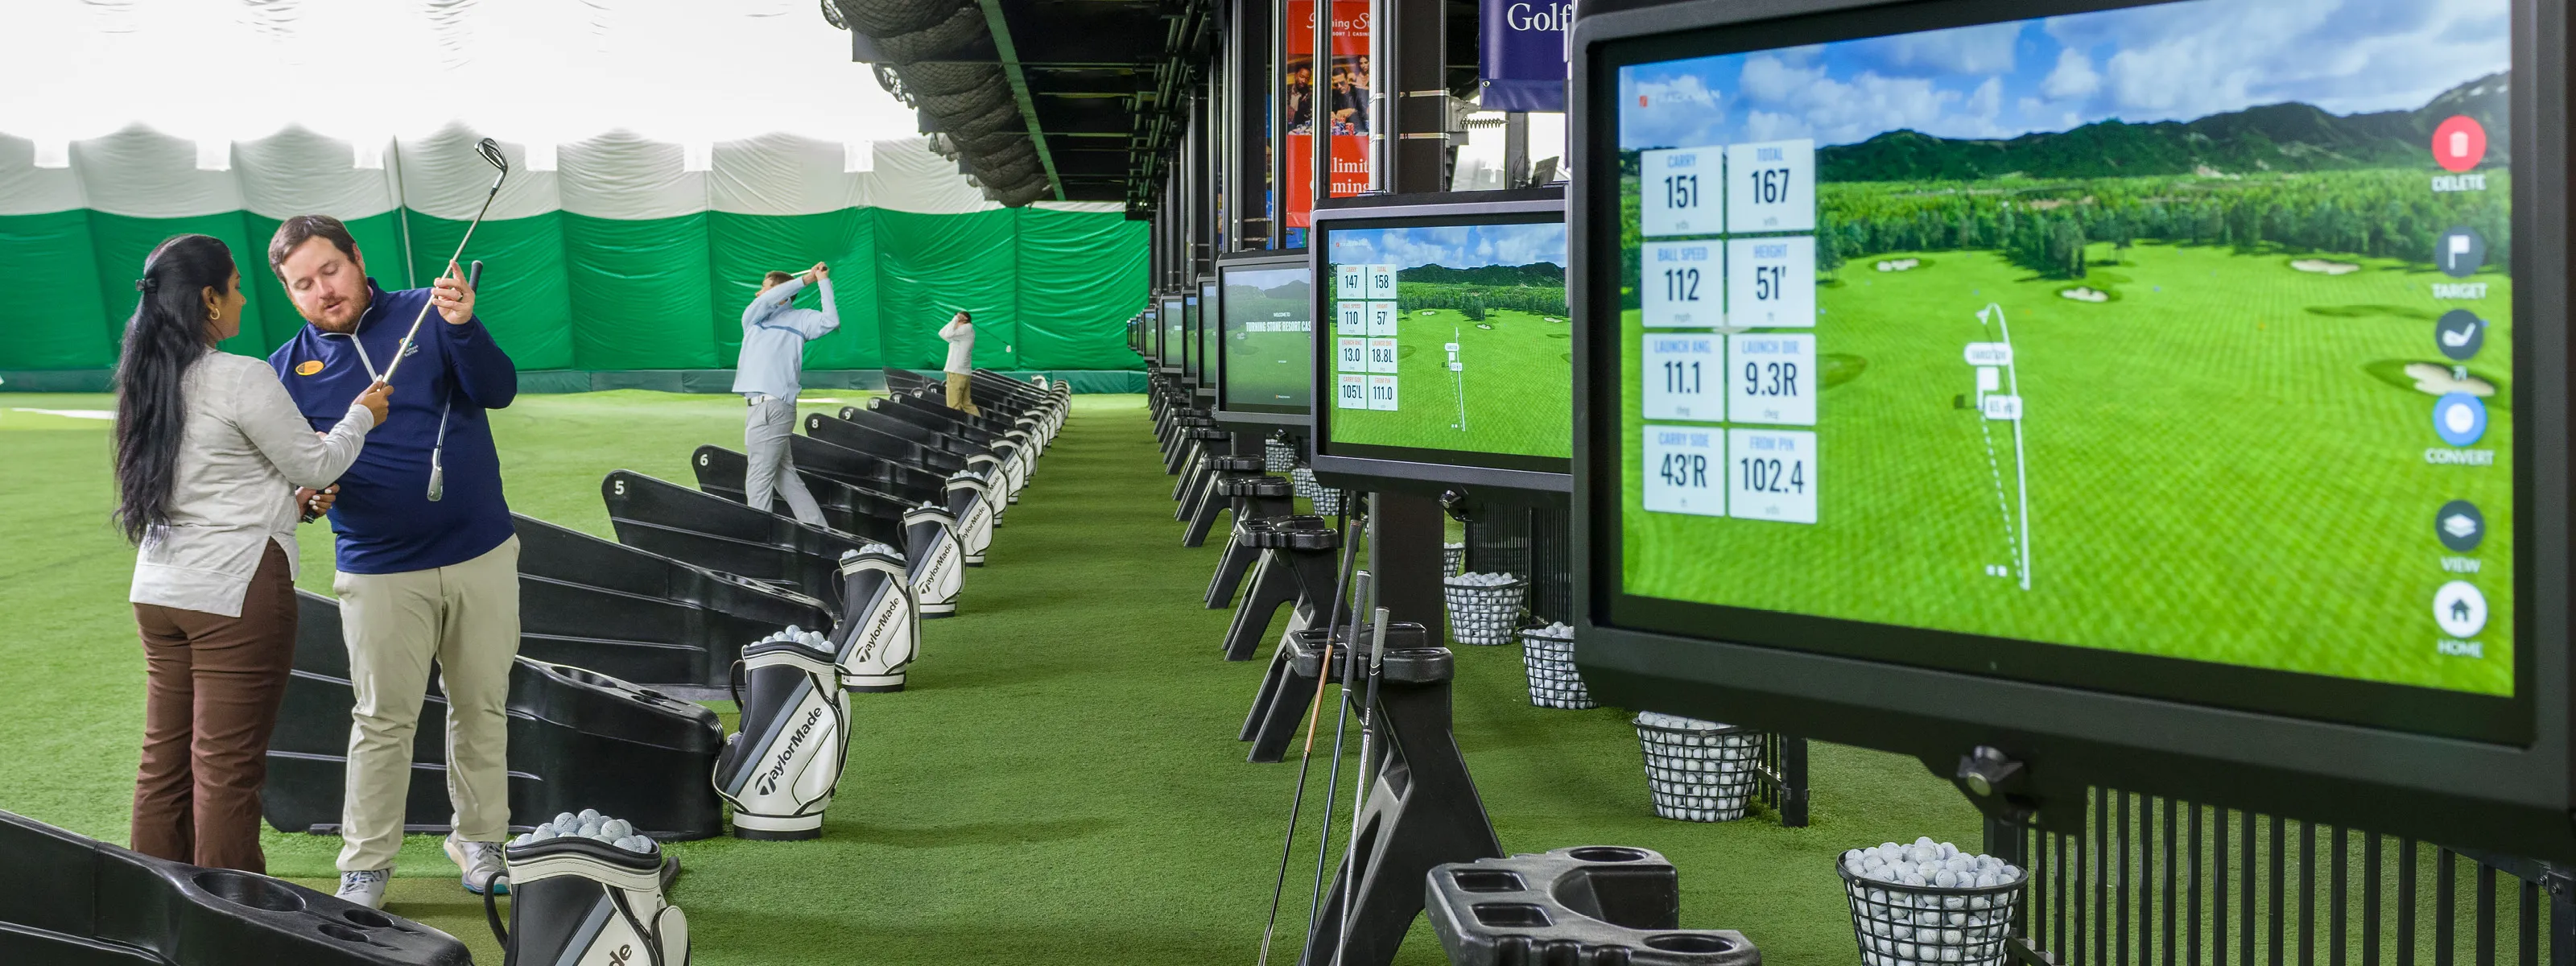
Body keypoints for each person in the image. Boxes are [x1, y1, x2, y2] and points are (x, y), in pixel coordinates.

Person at [264, 215, 520, 910]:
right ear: (288, 293)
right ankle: (366, 865)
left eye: (330, 270)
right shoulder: (284, 371)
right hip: (377, 568)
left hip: (480, 551)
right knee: (382, 720)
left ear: (357, 258)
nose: (323, 290)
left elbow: (497, 389)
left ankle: (480, 841)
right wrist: (308, 497)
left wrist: (464, 326)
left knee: (480, 705)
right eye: (303, 284)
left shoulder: (430, 312)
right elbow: (293, 479)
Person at [116, 234, 392, 874]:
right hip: (234, 596)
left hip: (159, 594)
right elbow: (317, 462)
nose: (242, 298)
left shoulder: (143, 379)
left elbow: (210, 487)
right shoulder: (242, 375)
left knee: (164, 763)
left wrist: (289, 506)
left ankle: (154, 907)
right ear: (210, 300)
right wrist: (362, 415)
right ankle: (232, 914)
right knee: (226, 769)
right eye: (236, 287)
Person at [733, 262, 838, 526]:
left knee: (758, 478)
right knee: (785, 477)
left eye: (764, 287)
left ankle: (758, 539)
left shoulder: (801, 318)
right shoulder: (753, 318)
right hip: (764, 408)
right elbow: (766, 300)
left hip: (771, 408)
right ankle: (821, 531)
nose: (758, 293)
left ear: (782, 295)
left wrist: (821, 281)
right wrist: (805, 280)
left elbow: (831, 321)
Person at [939, 310, 981, 417]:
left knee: (953, 405)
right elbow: (942, 333)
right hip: (962, 373)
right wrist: (954, 320)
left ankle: (956, 426)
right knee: (966, 404)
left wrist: (955, 319)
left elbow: (949, 333)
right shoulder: (963, 333)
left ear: (965, 319)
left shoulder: (965, 328)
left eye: (958, 319)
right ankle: (980, 423)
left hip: (956, 372)